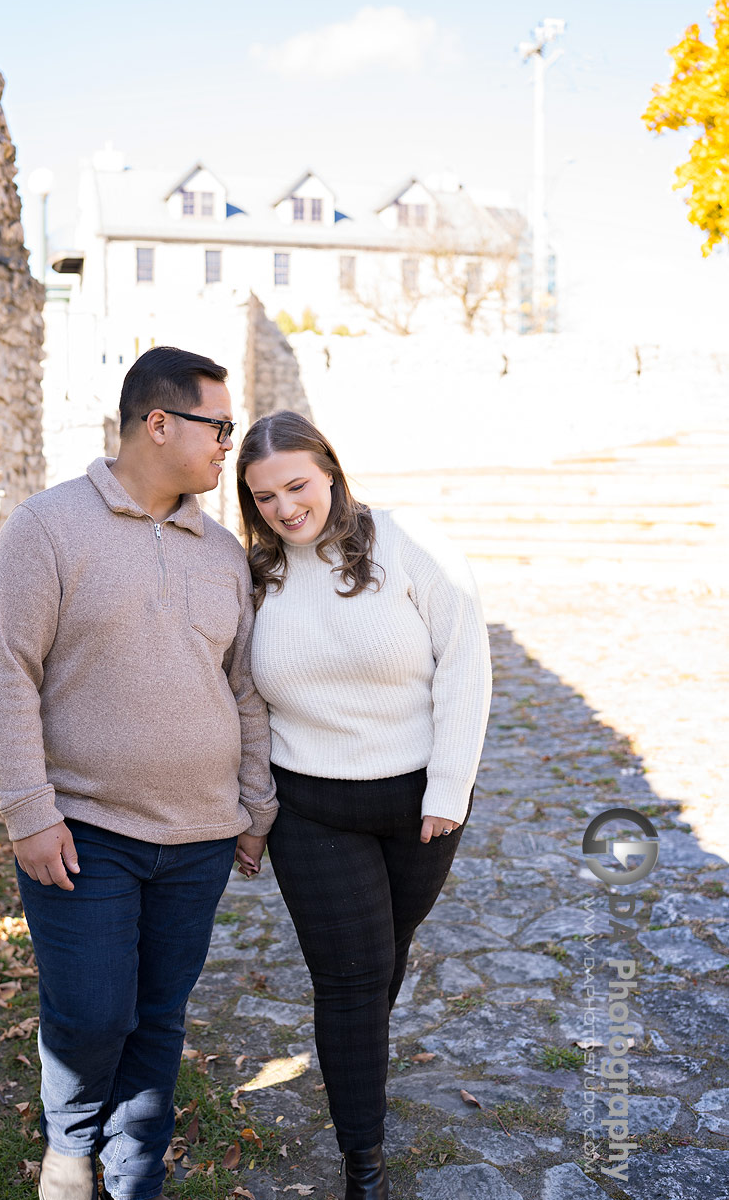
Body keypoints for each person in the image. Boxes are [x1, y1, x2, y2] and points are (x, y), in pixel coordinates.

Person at [0, 347, 277, 1200]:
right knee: (93, 1012)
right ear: (159, 423)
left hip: (201, 835)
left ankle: (135, 1172)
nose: (229, 444)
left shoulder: (222, 552)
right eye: (219, 425)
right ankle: (70, 1148)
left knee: (157, 1015)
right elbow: (4, 671)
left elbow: (245, 688)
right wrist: (29, 811)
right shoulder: (47, 527)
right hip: (84, 831)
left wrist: (254, 806)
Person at [234, 411, 492, 1200]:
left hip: (419, 806)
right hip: (310, 809)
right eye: (264, 497)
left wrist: (448, 788)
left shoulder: (406, 542)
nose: (284, 508)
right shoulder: (255, 576)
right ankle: (364, 1166)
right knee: (350, 979)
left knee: (382, 961)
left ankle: (357, 1082)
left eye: (296, 485)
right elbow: (241, 697)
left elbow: (465, 661)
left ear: (331, 472)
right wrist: (252, 807)